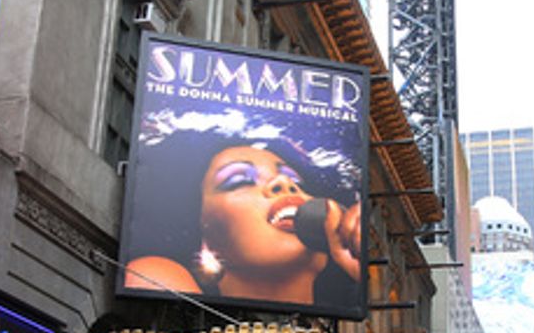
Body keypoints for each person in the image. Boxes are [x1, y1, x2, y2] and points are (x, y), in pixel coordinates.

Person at [122, 115, 362, 308]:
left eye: (295, 180)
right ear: (205, 238)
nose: (284, 183)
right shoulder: (155, 275)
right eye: (239, 180)